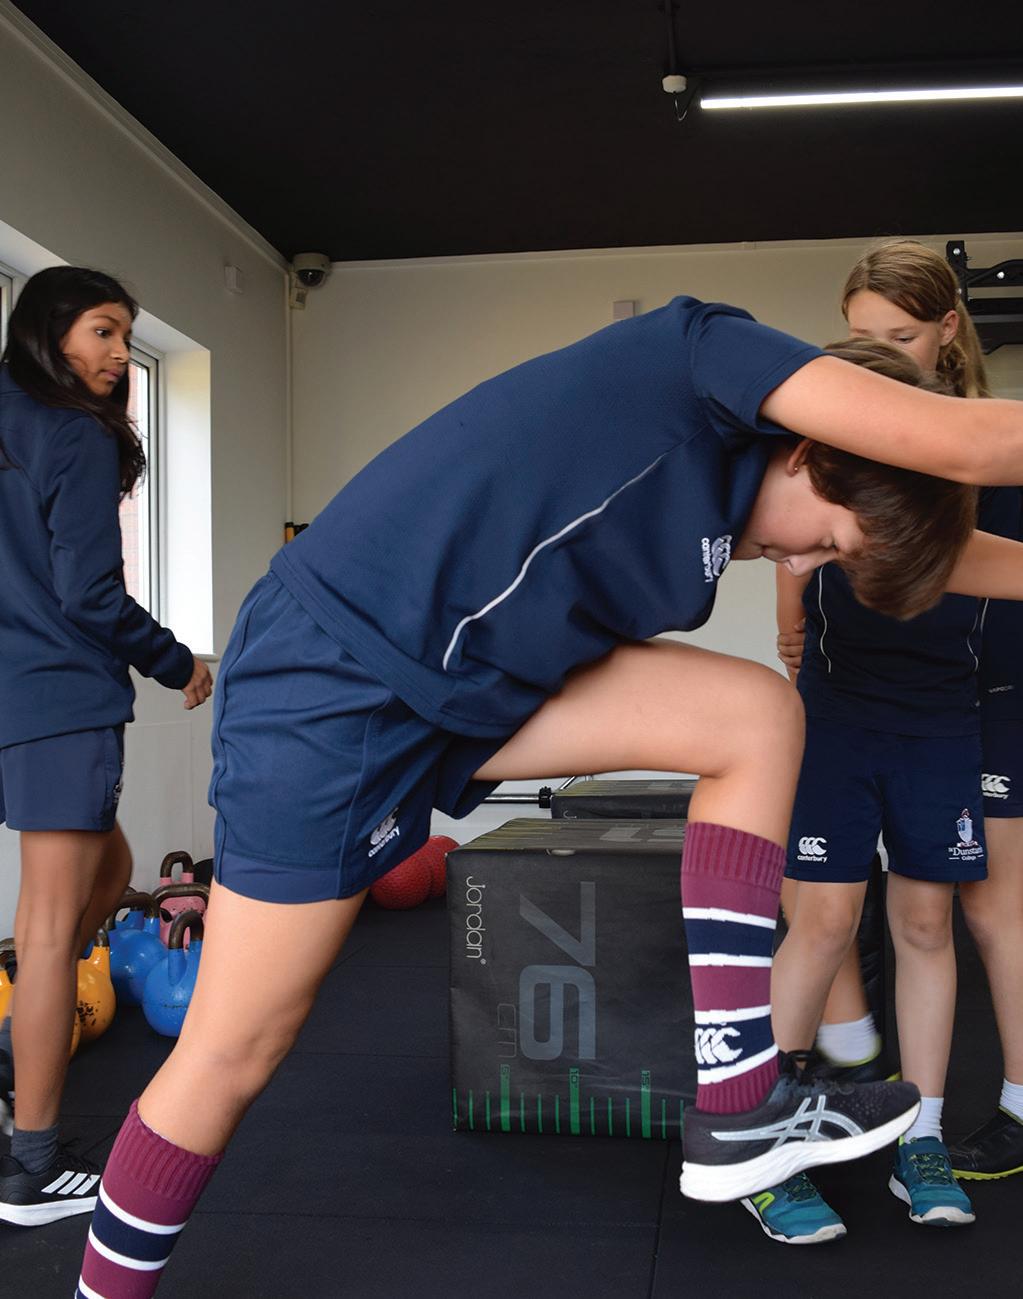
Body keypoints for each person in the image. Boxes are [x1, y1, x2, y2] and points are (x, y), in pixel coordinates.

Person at [74, 292, 1023, 1298]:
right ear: (811, 453)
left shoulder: (755, 492)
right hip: (331, 681)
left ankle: (741, 1101)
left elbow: (939, 548)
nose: (804, 563)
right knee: (234, 1050)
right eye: (826, 539)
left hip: (462, 694)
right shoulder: (700, 357)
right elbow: (968, 443)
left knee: (755, 716)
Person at [753, 240, 1023, 1248]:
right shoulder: (832, 434)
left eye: (899, 336)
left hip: (944, 714)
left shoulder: (969, 448)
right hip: (839, 709)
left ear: (945, 334)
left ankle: (924, 1137)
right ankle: (766, 1143)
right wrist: (791, 624)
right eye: (861, 338)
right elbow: (789, 545)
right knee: (820, 922)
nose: (879, 356)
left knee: (924, 924)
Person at [0, 267, 213, 1228]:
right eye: (102, 331)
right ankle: (32, 1166)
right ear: (49, 330)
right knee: (49, 928)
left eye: (126, 335)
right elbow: (90, 595)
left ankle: (20, 1042)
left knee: (113, 866)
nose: (120, 354)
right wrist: (175, 662)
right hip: (57, 697)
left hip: (15, 696)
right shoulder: (72, 433)